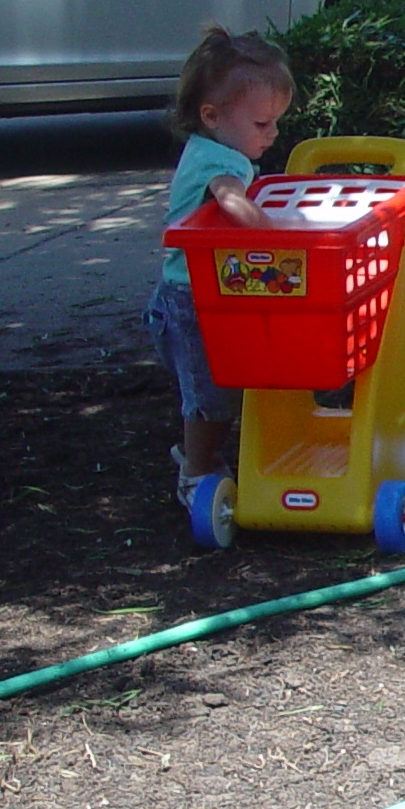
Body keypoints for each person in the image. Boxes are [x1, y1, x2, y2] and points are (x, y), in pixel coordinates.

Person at [145, 27, 291, 507]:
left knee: (223, 389)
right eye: (262, 124)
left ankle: (200, 452)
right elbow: (231, 200)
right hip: (191, 300)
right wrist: (282, 242)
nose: (272, 134)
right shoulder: (218, 163)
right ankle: (196, 470)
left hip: (207, 291)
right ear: (212, 115)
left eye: (275, 123)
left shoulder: (219, 149)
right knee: (211, 396)